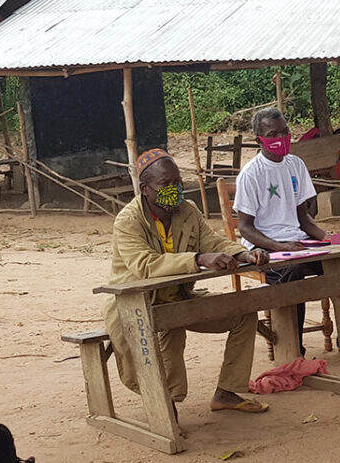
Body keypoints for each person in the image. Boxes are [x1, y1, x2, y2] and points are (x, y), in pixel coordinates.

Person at [104, 149, 271, 415]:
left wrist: (242, 253)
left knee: (243, 315)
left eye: (178, 182)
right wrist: (198, 259)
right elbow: (145, 265)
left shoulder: (187, 210)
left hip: (178, 297)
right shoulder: (128, 220)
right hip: (140, 306)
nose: (175, 189)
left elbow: (212, 241)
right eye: (165, 184)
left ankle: (226, 392)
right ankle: (166, 409)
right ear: (145, 189)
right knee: (169, 334)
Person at [235, 109, 340, 356]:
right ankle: (294, 350)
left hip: (298, 242)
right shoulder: (251, 174)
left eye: (284, 132)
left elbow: (303, 218)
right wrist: (280, 247)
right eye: (272, 134)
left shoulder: (296, 164)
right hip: (266, 248)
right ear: (258, 139)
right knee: (291, 273)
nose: (281, 137)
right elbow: (245, 228)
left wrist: (328, 240)